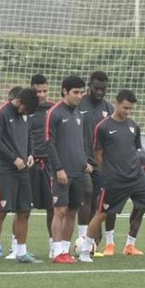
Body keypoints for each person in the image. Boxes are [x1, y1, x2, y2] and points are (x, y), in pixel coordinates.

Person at [79, 90, 145, 263]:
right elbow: (98, 155)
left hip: (137, 177)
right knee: (101, 214)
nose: (128, 111)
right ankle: (85, 250)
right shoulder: (103, 127)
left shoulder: (133, 126)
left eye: (130, 109)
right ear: (117, 103)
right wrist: (108, 174)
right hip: (115, 180)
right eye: (125, 107)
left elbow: (135, 150)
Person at [0, 88, 41, 264]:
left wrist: (31, 154)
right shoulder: (1, 113)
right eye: (25, 109)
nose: (26, 113)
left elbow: (29, 135)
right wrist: (13, 158)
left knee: (24, 211)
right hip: (3, 171)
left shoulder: (24, 115)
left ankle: (21, 252)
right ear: (19, 101)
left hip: (23, 170)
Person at [46, 75, 93, 264]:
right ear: (65, 91)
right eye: (76, 92)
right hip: (62, 172)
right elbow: (49, 143)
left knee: (72, 210)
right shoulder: (55, 113)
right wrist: (58, 169)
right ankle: (57, 251)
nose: (79, 96)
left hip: (78, 172)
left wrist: (85, 162)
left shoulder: (79, 114)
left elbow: (79, 143)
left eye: (82, 92)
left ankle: (65, 250)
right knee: (60, 211)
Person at [77, 71, 115, 256]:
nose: (100, 92)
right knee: (86, 193)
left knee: (98, 200)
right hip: (81, 159)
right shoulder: (79, 104)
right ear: (89, 87)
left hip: (101, 160)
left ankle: (94, 241)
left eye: (103, 88)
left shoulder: (109, 108)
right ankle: (82, 237)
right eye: (96, 88)